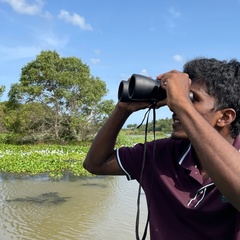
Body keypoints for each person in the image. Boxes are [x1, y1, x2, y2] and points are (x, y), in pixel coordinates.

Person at [83, 57, 240, 240]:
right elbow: (96, 164)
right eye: (179, 98)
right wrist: (123, 109)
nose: (173, 108)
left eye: (192, 98)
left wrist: (182, 104)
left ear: (225, 117)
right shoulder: (162, 154)